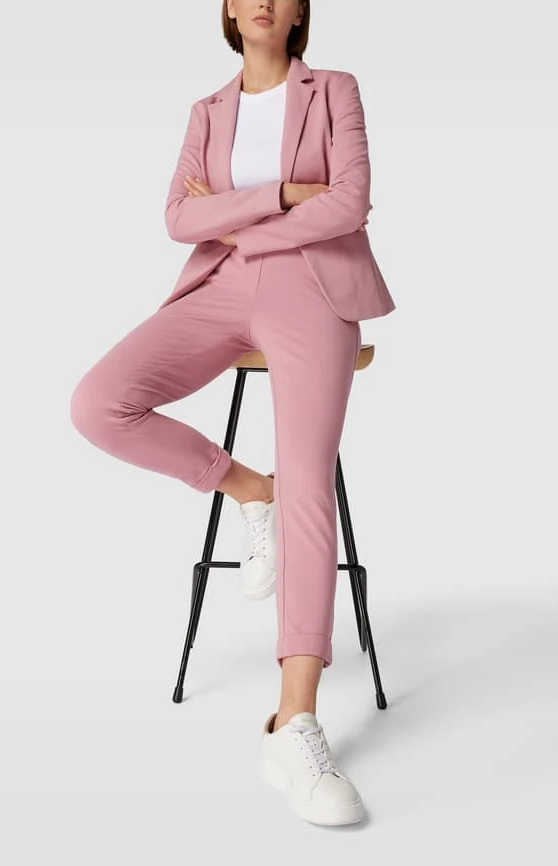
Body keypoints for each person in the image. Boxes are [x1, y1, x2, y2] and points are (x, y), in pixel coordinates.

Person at [70, 0, 395, 827]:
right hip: (218, 287)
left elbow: (350, 202)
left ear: (301, 11)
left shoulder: (334, 89)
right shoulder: (206, 110)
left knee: (311, 481)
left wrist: (241, 218)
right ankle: (251, 489)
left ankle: (295, 722)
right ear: (226, 7)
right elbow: (178, 219)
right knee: (99, 403)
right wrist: (281, 193)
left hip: (313, 286)